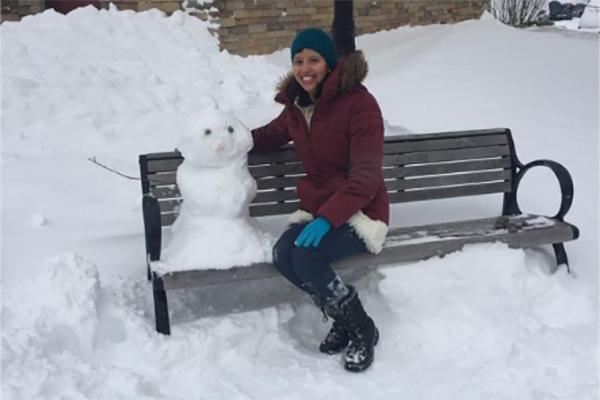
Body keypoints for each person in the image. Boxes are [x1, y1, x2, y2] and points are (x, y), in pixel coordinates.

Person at [251, 27, 389, 372]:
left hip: (361, 210)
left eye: (313, 59)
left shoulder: (359, 104)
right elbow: (268, 136)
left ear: (329, 63)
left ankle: (361, 328)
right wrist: (215, 139)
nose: (305, 68)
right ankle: (342, 318)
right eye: (298, 61)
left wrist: (330, 218)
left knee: (307, 255)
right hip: (320, 207)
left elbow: (366, 177)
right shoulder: (298, 106)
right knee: (285, 254)